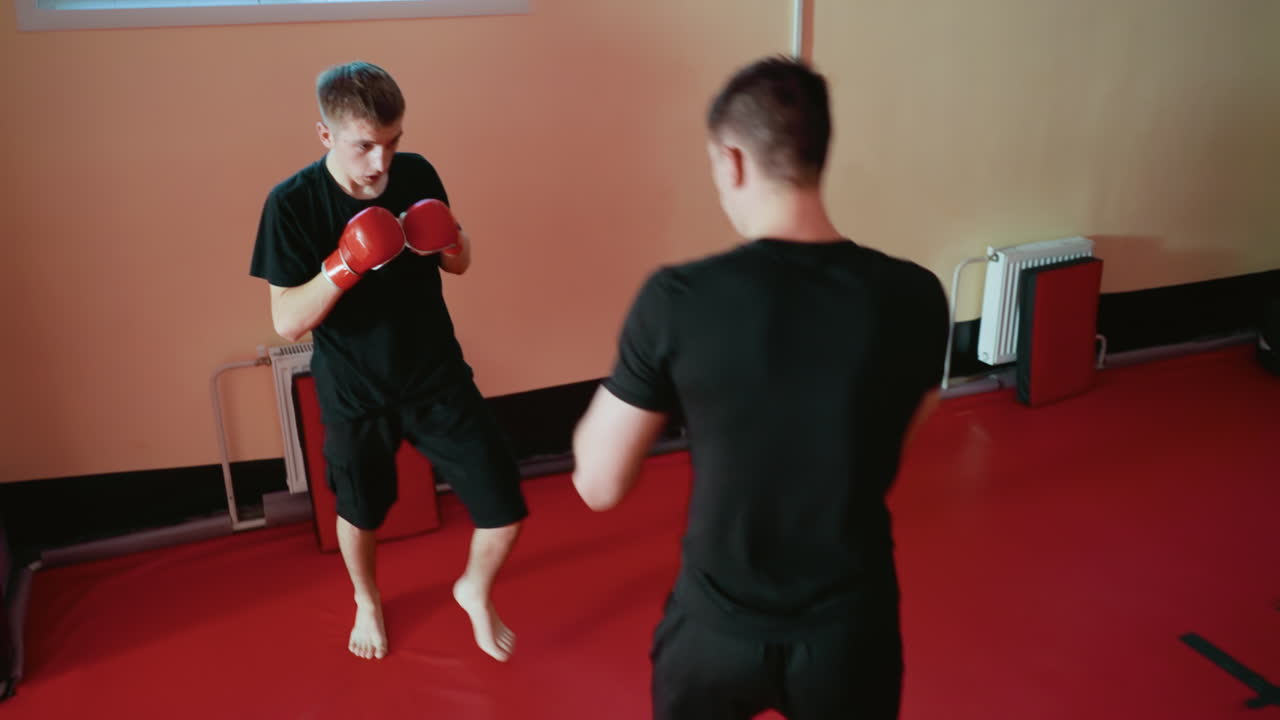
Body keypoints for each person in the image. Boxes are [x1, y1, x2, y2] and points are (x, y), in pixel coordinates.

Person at [571, 55, 949, 719]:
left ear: (733, 159)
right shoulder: (914, 296)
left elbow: (597, 486)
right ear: (817, 154)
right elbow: (892, 449)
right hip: (848, 630)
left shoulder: (678, 300)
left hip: (715, 632)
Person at [249, 61, 527, 663]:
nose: (381, 162)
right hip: (353, 389)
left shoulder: (417, 173)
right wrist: (344, 263)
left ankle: (473, 589)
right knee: (360, 512)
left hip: (436, 375)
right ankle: (367, 598)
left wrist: (450, 235)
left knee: (504, 506)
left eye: (393, 142)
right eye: (365, 146)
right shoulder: (291, 204)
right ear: (326, 136)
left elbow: (459, 263)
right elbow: (287, 320)